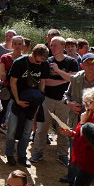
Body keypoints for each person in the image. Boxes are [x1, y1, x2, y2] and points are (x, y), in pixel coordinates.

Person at [30, 36, 78, 165]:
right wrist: (65, 78)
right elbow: (46, 82)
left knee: (63, 128)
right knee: (42, 128)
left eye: (55, 45)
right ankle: (38, 153)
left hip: (65, 100)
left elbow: (74, 79)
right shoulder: (47, 62)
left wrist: (57, 70)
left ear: (63, 47)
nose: (52, 47)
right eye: (51, 45)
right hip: (48, 99)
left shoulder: (72, 62)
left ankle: (62, 154)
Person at [5, 44, 51, 167]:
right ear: (32, 54)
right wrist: (18, 100)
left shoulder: (43, 64)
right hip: (18, 100)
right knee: (12, 130)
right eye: (37, 60)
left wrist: (40, 96)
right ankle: (9, 154)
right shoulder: (20, 62)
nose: (39, 63)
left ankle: (22, 155)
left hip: (33, 102)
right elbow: (12, 82)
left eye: (42, 61)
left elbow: (42, 80)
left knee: (27, 131)